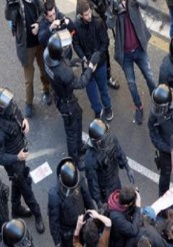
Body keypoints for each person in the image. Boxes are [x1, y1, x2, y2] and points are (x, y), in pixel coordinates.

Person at [44, 30, 99, 168]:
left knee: (78, 116)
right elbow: (81, 83)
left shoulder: (47, 56)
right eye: (62, 49)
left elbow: (61, 64)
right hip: (67, 103)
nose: (65, 50)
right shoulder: (64, 73)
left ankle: (80, 146)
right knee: (71, 131)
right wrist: (90, 68)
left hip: (59, 95)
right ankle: (74, 159)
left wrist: (69, 63)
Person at [0, 88, 45, 234]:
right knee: (26, 188)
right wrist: (17, 157)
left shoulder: (9, 107)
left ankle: (16, 208)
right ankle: (37, 214)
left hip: (20, 154)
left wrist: (24, 121)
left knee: (17, 182)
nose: (11, 105)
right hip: (14, 163)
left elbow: (17, 113)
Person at [111, 0, 157, 124]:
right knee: (131, 84)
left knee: (150, 77)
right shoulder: (114, 5)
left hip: (139, 49)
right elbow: (109, 23)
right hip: (125, 54)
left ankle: (156, 102)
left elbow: (145, 4)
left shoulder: (132, 2)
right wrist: (112, 9)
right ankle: (139, 107)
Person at [5, 0, 52, 117]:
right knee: (28, 80)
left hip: (40, 43)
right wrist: (8, 4)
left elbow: (43, 12)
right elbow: (8, 16)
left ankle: (46, 90)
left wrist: (38, 23)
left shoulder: (36, 1)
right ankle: (29, 103)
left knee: (44, 70)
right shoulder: (16, 3)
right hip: (26, 47)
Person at [74, 0, 113, 121]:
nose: (89, 16)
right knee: (91, 92)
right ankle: (97, 110)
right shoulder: (76, 26)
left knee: (103, 88)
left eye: (89, 12)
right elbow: (75, 44)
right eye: (86, 14)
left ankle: (108, 107)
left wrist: (97, 58)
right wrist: (83, 58)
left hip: (99, 63)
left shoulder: (98, 22)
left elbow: (105, 42)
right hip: (87, 64)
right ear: (80, 15)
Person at [148, 84, 173, 196]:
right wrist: (167, 149)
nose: (158, 110)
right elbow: (153, 135)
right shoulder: (154, 113)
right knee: (165, 174)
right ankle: (162, 197)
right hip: (166, 151)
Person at [84, 118, 135, 207]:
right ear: (97, 142)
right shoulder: (90, 159)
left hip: (115, 179)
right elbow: (93, 183)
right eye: (103, 140)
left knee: (121, 204)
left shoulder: (110, 139)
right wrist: (99, 202)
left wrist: (128, 168)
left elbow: (119, 151)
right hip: (105, 189)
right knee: (111, 210)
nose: (106, 141)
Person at [48, 158, 96, 247]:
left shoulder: (78, 178)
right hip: (68, 232)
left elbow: (87, 198)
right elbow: (54, 222)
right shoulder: (54, 195)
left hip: (83, 222)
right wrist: (58, 242)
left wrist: (93, 217)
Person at [89, 0, 120, 90]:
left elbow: (106, 9)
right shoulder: (84, 3)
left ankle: (107, 76)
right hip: (90, 32)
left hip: (102, 29)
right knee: (93, 55)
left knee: (105, 53)